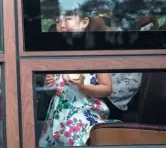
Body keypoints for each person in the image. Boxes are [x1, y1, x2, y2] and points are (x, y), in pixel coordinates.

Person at [39, 10, 115, 146]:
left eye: (68, 19)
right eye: (58, 21)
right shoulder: (54, 53)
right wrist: (49, 85)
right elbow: (51, 91)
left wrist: (83, 87)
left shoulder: (94, 52)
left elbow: (107, 88)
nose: (61, 25)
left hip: (83, 116)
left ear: (84, 23)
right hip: (57, 118)